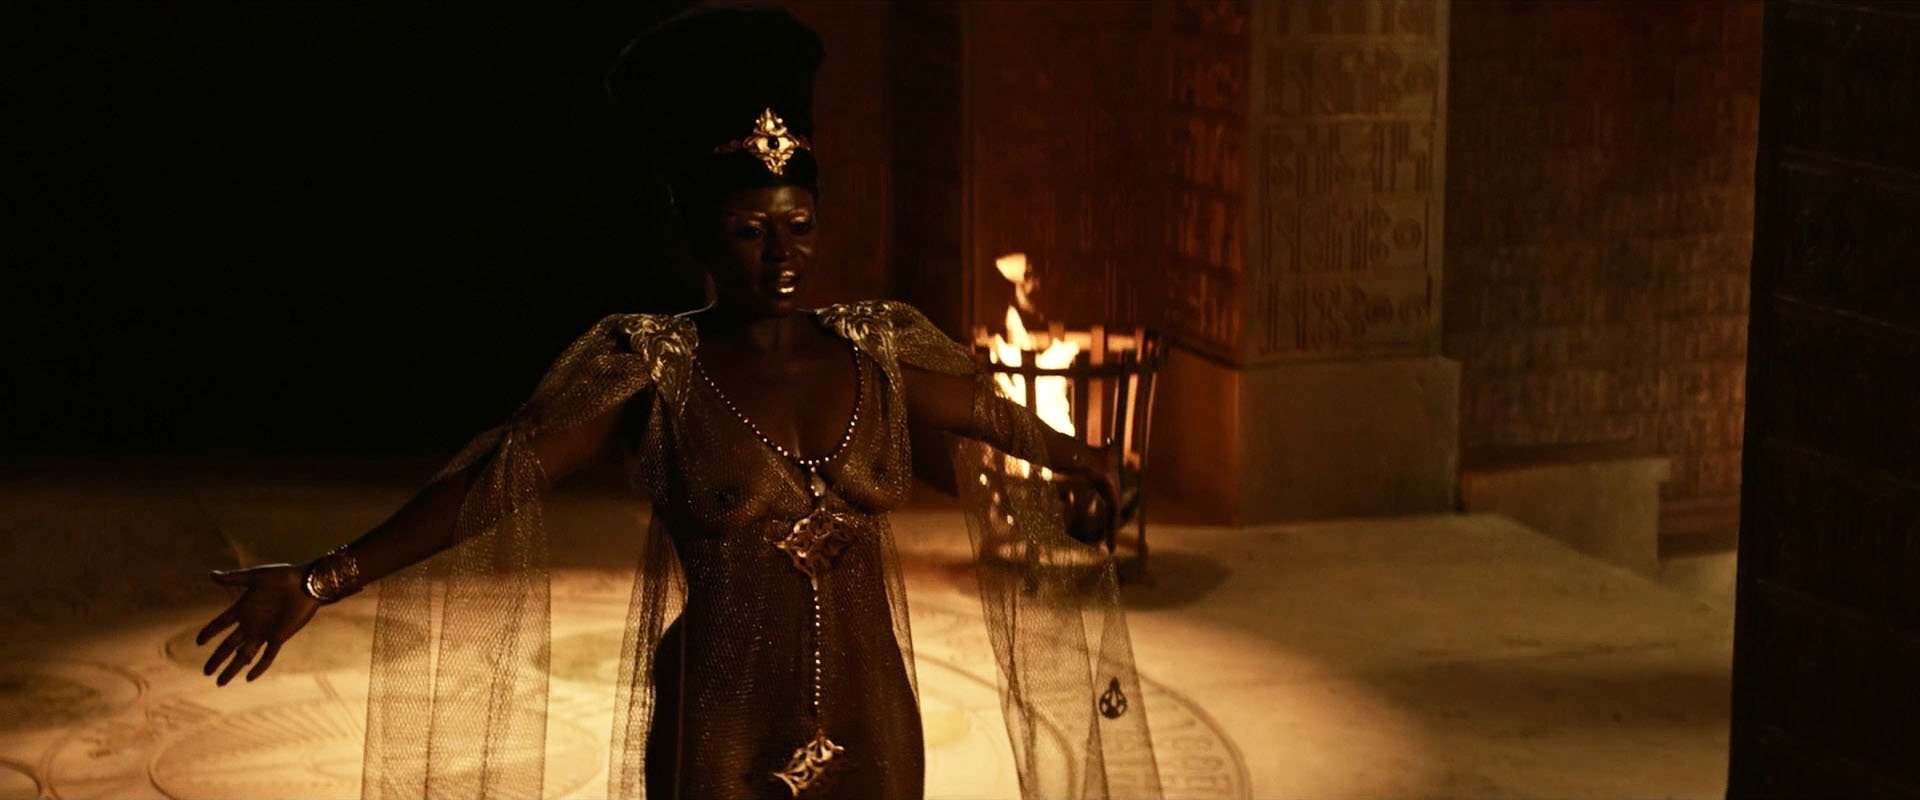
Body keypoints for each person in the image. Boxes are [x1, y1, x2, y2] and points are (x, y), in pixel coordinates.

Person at [194, 5, 1160, 799]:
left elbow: (994, 414)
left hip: (874, 724)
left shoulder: (878, 350)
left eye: (799, 224)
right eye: (748, 230)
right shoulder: (651, 367)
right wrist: (322, 580)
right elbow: (497, 479)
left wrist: (1086, 462)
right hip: (724, 729)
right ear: (699, 235)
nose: (782, 254)